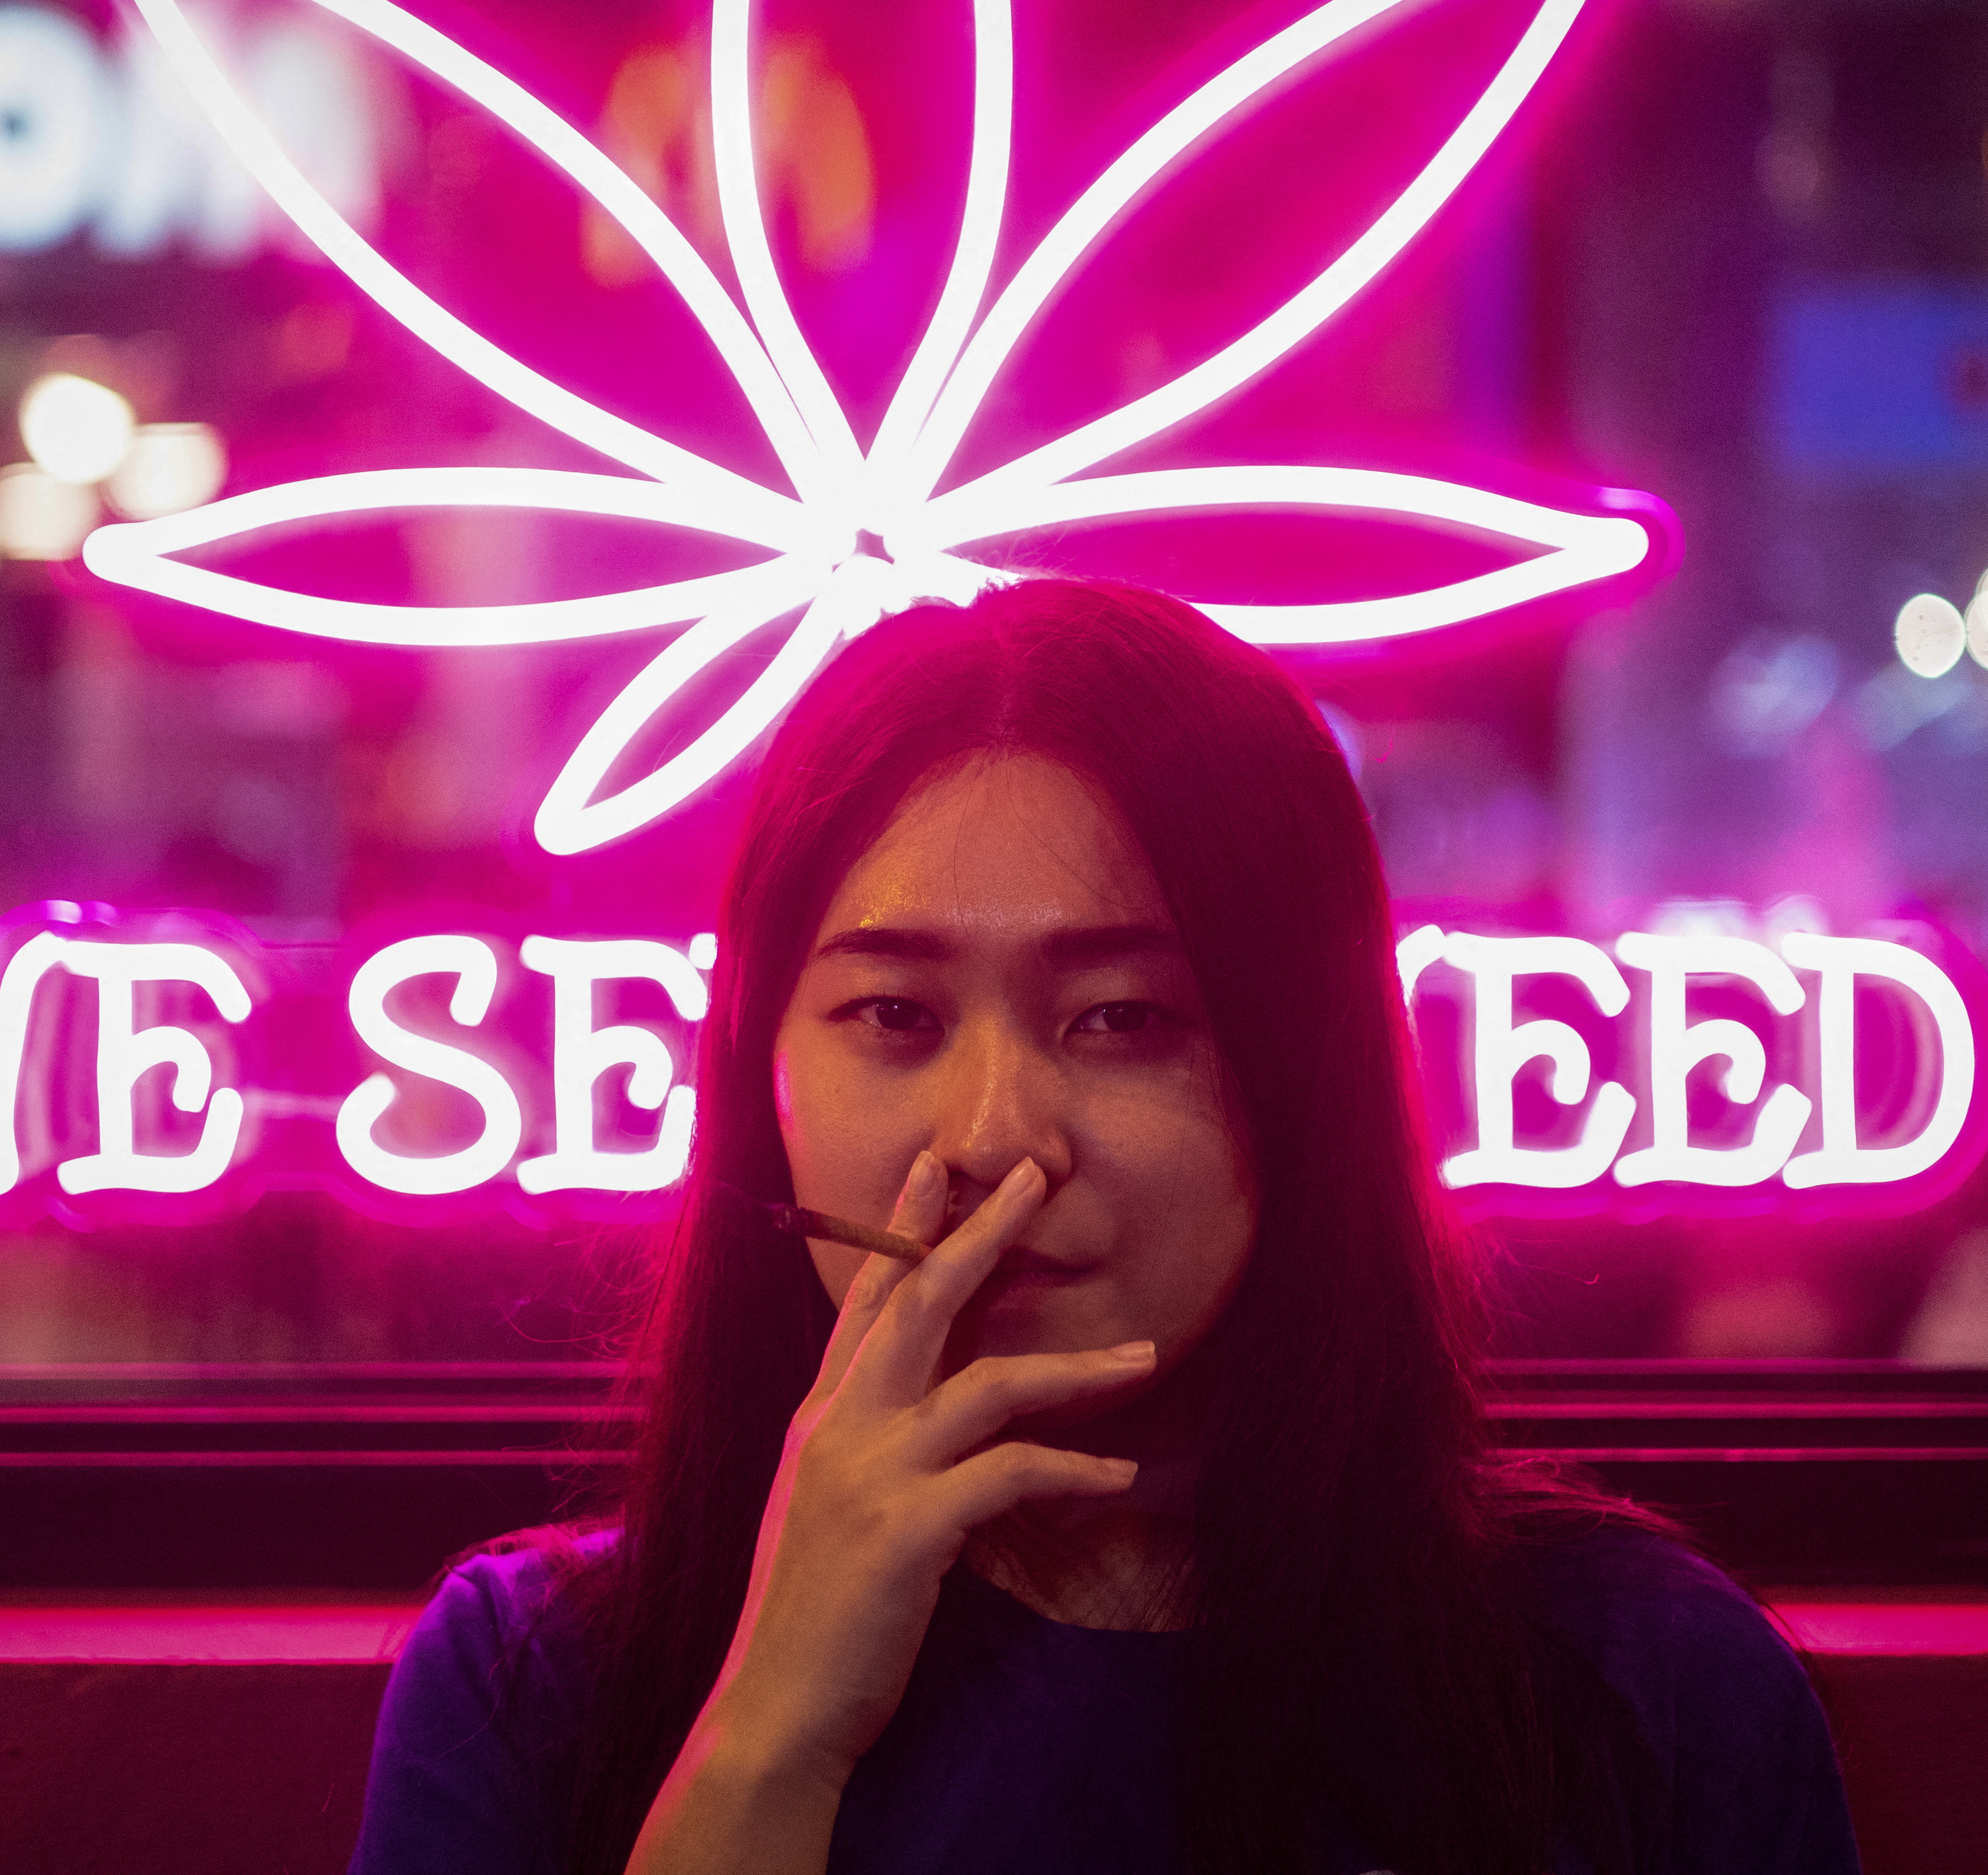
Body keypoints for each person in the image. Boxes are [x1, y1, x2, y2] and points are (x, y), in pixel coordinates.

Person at [352, 579, 1857, 1875]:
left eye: (1124, 1016)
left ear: (1304, 1073)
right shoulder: (535, 1677)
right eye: (894, 1012)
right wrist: (769, 1737)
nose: (996, 1135)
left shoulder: (1641, 1684)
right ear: (764, 1074)